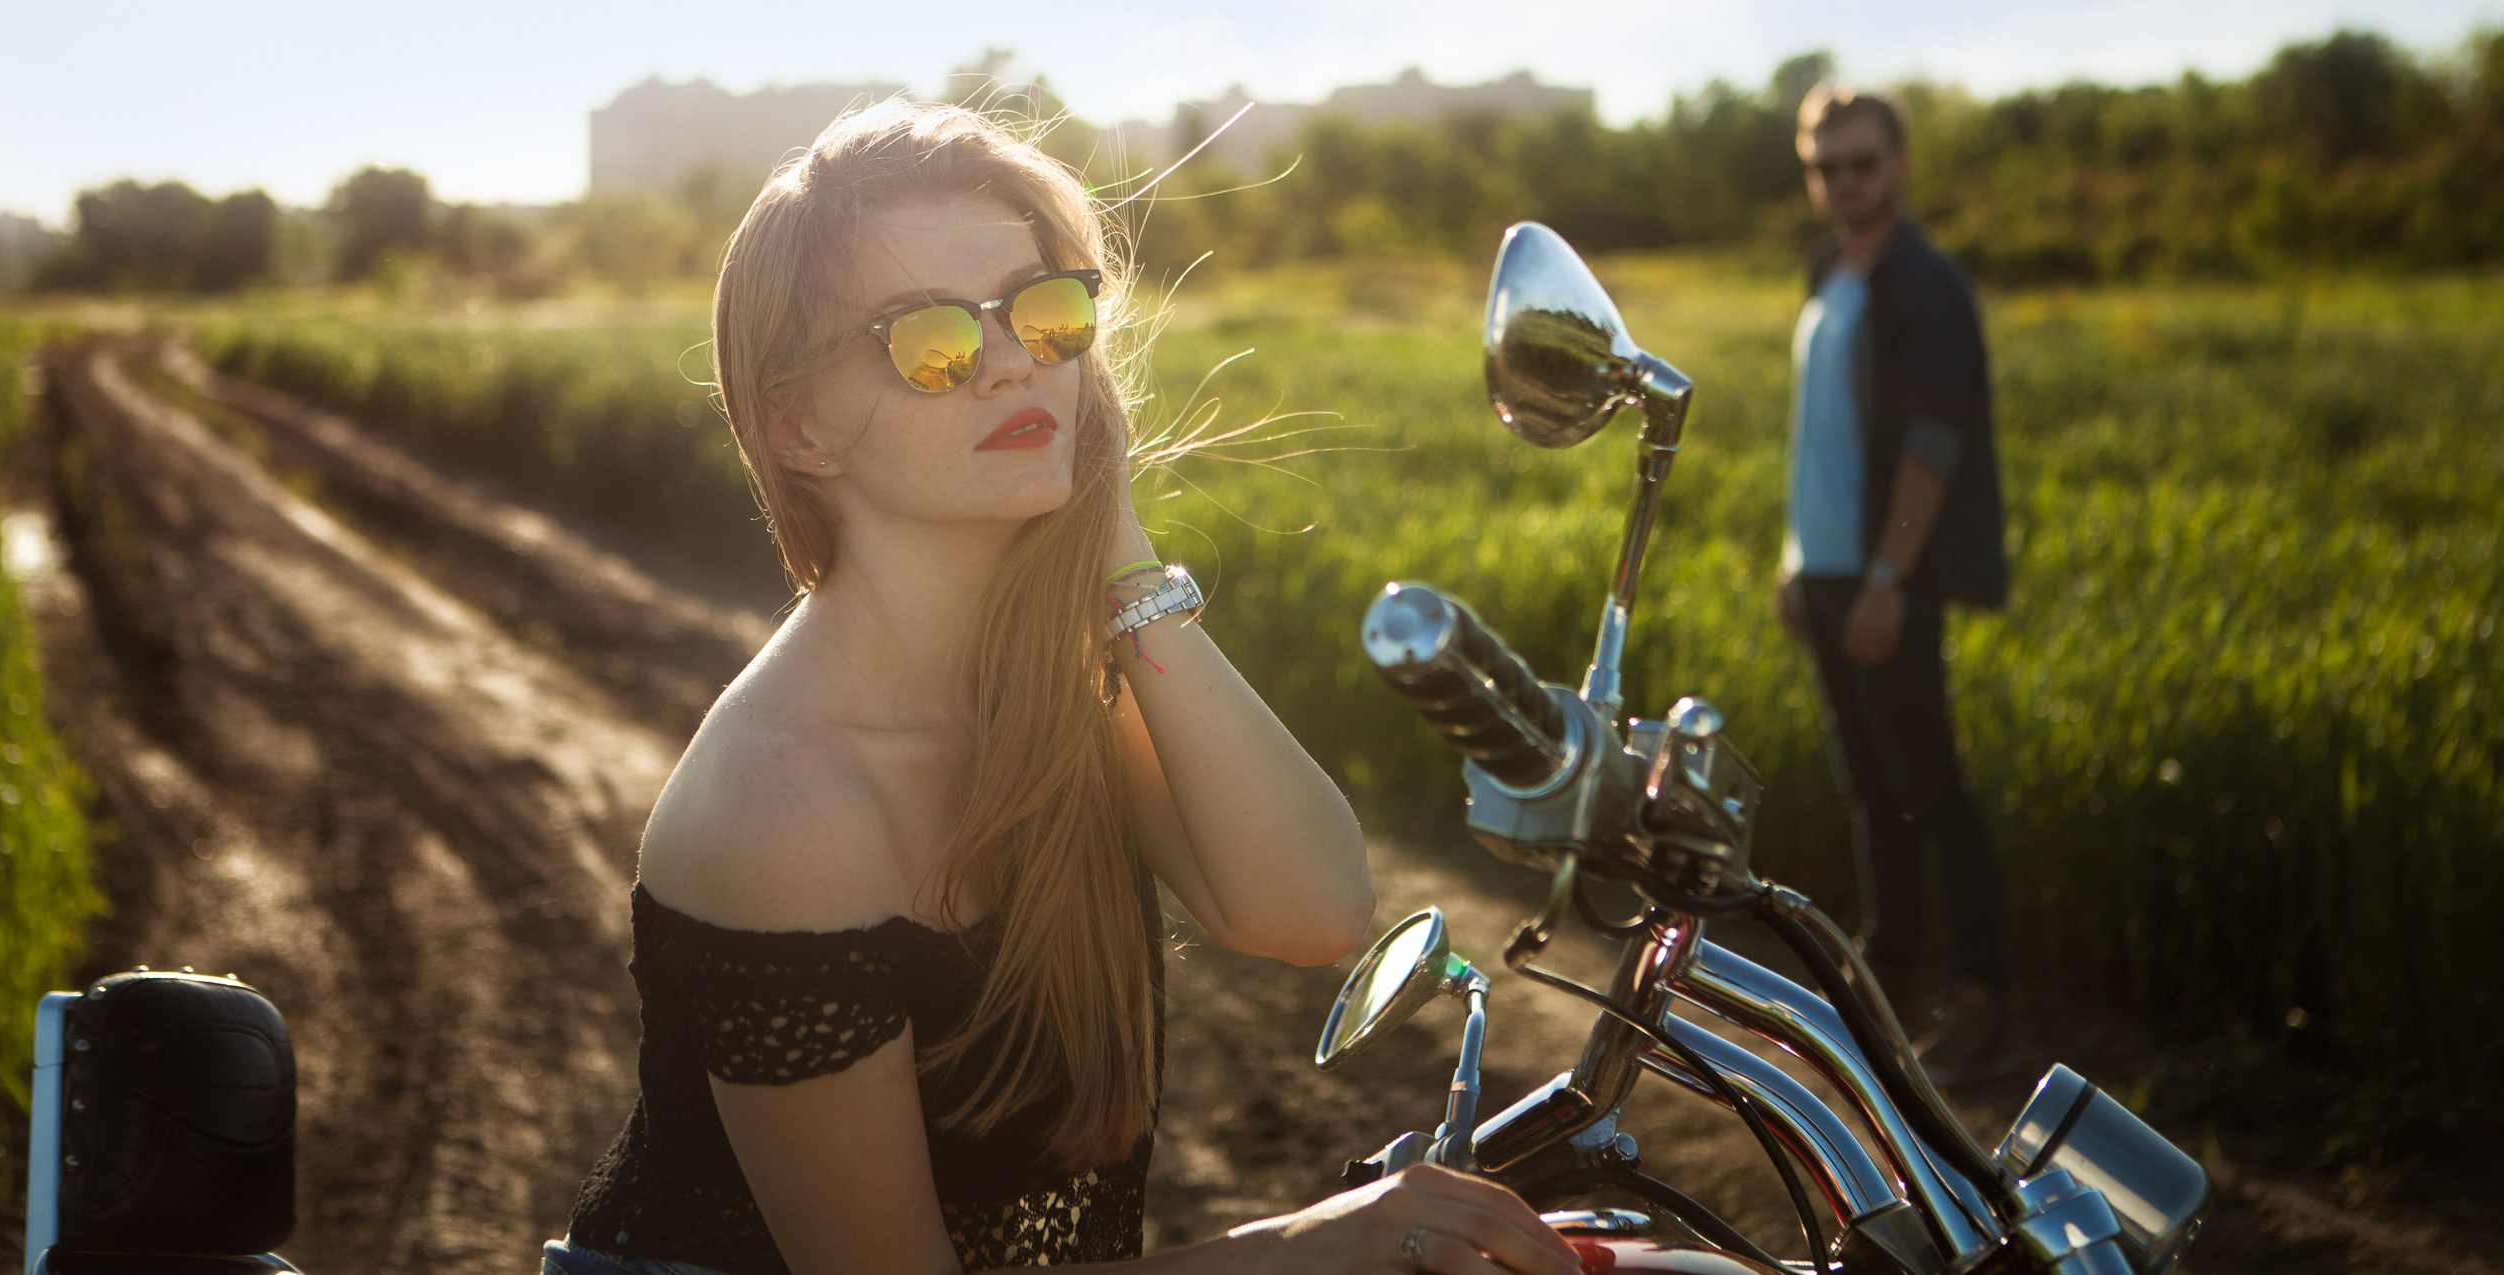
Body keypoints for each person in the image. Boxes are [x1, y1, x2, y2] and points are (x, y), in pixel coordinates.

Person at [546, 101, 1584, 1275]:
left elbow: (1312, 911)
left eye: (1041, 312)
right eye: (927, 337)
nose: (1008, 362)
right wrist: (1300, 1250)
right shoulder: (782, 804)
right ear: (795, 426)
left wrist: (1118, 548)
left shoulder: (1055, 693)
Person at [1771, 83, 2014, 1088]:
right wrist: (1795, 556)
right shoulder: (1827, 271)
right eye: (1825, 168)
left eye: (1861, 164)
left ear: (1899, 165)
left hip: (1886, 580)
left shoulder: (1925, 285)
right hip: (1823, 571)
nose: (1843, 184)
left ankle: (1983, 996)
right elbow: (1819, 436)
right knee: (1870, 789)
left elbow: (1930, 445)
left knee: (1931, 789)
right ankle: (1888, 976)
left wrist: (1885, 578)